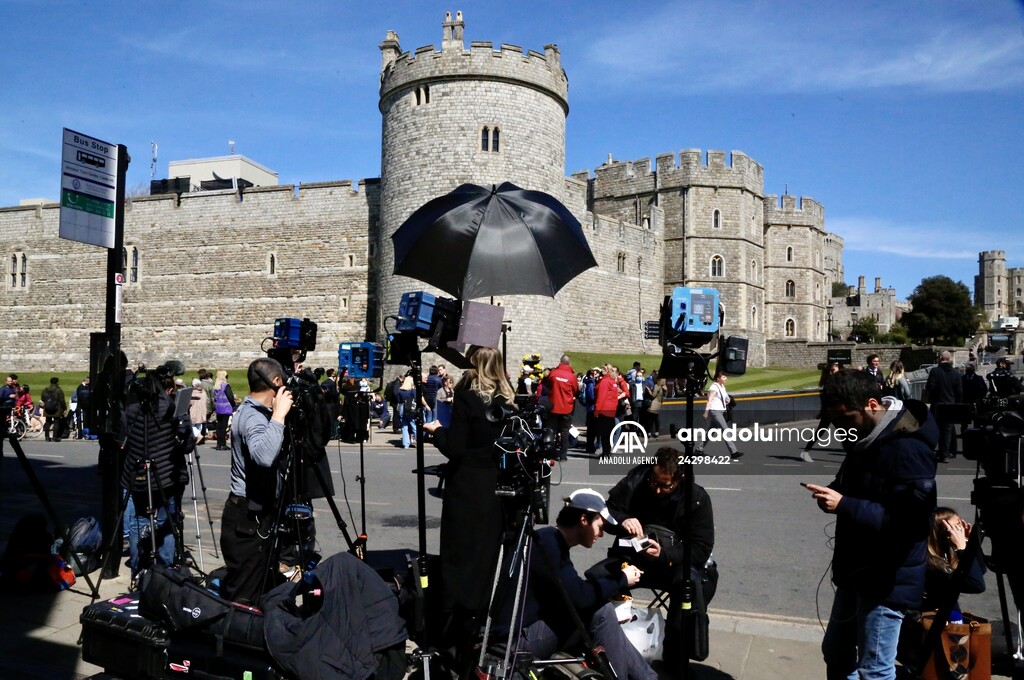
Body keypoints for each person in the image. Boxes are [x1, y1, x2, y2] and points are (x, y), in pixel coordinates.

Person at [805, 368, 937, 680]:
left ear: (872, 404)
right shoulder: (864, 436)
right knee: (836, 653)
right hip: (857, 570)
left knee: (875, 670)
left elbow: (913, 522)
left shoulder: (908, 449)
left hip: (886, 577)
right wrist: (835, 492)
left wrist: (846, 504)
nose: (840, 429)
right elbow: (857, 484)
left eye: (845, 418)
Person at [420, 346, 513, 669]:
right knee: (484, 559)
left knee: (459, 558)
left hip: (468, 488)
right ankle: (478, 625)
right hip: (496, 489)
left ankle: (452, 636)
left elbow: (456, 449)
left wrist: (438, 432)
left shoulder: (468, 398)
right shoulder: (507, 401)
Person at [509, 489, 657, 680]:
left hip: (531, 628)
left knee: (601, 617)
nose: (602, 534)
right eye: (600, 526)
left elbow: (570, 593)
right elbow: (579, 597)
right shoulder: (549, 543)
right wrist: (621, 579)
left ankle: (649, 678)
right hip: (518, 640)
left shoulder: (550, 539)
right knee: (601, 612)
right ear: (584, 520)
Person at [606, 447, 715, 666]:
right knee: (600, 577)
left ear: (679, 478)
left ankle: (675, 658)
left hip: (673, 563)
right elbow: (607, 511)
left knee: (689, 587)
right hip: (633, 558)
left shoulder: (697, 498)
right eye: (653, 482)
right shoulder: (636, 480)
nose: (657, 490)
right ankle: (606, 646)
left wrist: (664, 554)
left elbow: (700, 548)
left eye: (664, 485)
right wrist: (622, 519)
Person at [220, 357, 294, 605]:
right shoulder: (253, 416)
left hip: (251, 512)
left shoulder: (256, 411)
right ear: (275, 381)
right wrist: (279, 416)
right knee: (244, 595)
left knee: (259, 585)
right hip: (247, 517)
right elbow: (263, 456)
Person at [121, 374, 193, 581]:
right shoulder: (170, 408)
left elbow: (122, 441)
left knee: (138, 524)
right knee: (167, 522)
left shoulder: (130, 410)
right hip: (165, 477)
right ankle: (167, 570)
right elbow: (187, 444)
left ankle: (137, 571)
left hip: (137, 476)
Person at [922, 507, 986, 612]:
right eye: (956, 528)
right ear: (943, 533)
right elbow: (976, 584)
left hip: (950, 617)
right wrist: (962, 549)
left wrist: (969, 544)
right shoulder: (930, 565)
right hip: (933, 621)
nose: (960, 531)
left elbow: (980, 570)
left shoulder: (946, 554)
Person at [695, 371, 743, 460]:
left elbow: (724, 397)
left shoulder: (722, 387)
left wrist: (728, 399)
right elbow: (709, 400)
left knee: (710, 432)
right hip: (715, 412)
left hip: (720, 411)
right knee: (726, 431)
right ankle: (734, 452)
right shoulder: (714, 387)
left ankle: (699, 449)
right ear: (718, 378)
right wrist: (706, 412)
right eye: (724, 377)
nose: (726, 378)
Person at [925, 351, 962, 463]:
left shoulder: (935, 371)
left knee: (935, 428)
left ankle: (936, 451)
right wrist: (958, 404)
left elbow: (930, 387)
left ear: (940, 359)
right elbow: (959, 391)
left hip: (937, 403)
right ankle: (945, 453)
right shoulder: (956, 373)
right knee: (947, 430)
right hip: (950, 404)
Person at [801, 362, 840, 462]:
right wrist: (822, 412)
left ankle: (806, 451)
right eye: (836, 368)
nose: (838, 370)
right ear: (831, 372)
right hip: (830, 412)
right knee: (820, 431)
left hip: (835, 411)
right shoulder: (829, 383)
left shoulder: (835, 381)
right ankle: (805, 452)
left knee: (845, 432)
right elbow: (826, 399)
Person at [544, 354, 579, 461]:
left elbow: (548, 384)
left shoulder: (553, 373)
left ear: (560, 362)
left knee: (552, 431)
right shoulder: (571, 376)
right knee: (564, 432)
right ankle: (563, 455)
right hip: (566, 408)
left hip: (554, 406)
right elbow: (576, 390)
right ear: (569, 363)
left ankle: (551, 453)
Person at [593, 365, 619, 456]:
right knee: (608, 434)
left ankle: (605, 453)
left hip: (604, 409)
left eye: (604, 369)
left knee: (604, 434)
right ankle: (607, 452)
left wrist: (597, 411)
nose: (602, 370)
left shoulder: (605, 381)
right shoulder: (613, 381)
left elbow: (601, 397)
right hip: (611, 410)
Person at [212, 370, 236, 451]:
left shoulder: (216, 386)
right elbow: (230, 397)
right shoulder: (225, 385)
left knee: (219, 426)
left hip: (218, 408)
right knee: (224, 427)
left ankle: (219, 444)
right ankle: (223, 444)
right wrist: (234, 405)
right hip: (225, 408)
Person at [40, 376, 67, 443]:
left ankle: (47, 437)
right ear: (57, 382)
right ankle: (55, 437)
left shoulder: (45, 390)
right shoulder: (58, 390)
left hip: (47, 407)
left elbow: (42, 399)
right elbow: (62, 400)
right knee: (56, 422)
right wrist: (64, 408)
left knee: (48, 422)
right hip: (57, 408)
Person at [396, 375, 417, 449]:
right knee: (413, 425)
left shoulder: (400, 390)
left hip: (402, 407)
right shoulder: (412, 390)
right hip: (410, 407)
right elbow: (415, 399)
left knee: (404, 426)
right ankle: (417, 441)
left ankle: (405, 444)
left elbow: (398, 400)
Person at [0, 374, 17, 454]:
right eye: (9, 381)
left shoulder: (12, 388)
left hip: (10, 407)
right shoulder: (3, 389)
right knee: (3, 421)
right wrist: (9, 396)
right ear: (6, 382)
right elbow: (1, 397)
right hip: (3, 407)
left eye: (11, 381)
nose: (10, 382)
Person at [189, 378, 209, 443]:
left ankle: (198, 435)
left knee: (192, 426)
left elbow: (189, 403)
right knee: (198, 426)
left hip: (194, 412)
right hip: (202, 412)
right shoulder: (203, 392)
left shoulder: (192, 393)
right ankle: (197, 438)